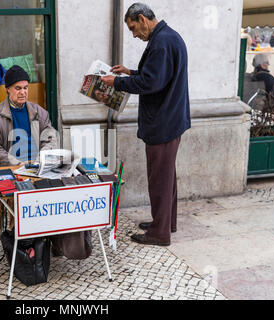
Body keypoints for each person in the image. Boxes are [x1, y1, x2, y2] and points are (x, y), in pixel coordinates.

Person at [101, 3, 190, 247]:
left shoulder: (161, 42)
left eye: (133, 28)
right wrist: (129, 72)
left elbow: (151, 83)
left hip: (163, 122)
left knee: (160, 178)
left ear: (142, 18)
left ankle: (159, 234)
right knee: (166, 175)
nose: (134, 34)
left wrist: (117, 83)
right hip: (171, 120)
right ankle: (165, 222)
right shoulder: (168, 37)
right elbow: (157, 74)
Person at [0, 65, 57, 243]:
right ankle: (21, 242)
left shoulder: (38, 112)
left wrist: (42, 157)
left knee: (56, 196)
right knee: (20, 202)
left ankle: (49, 240)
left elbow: (50, 137)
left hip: (36, 168)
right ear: (7, 89)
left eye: (25, 88)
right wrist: (16, 163)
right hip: (12, 170)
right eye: (18, 88)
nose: (23, 92)